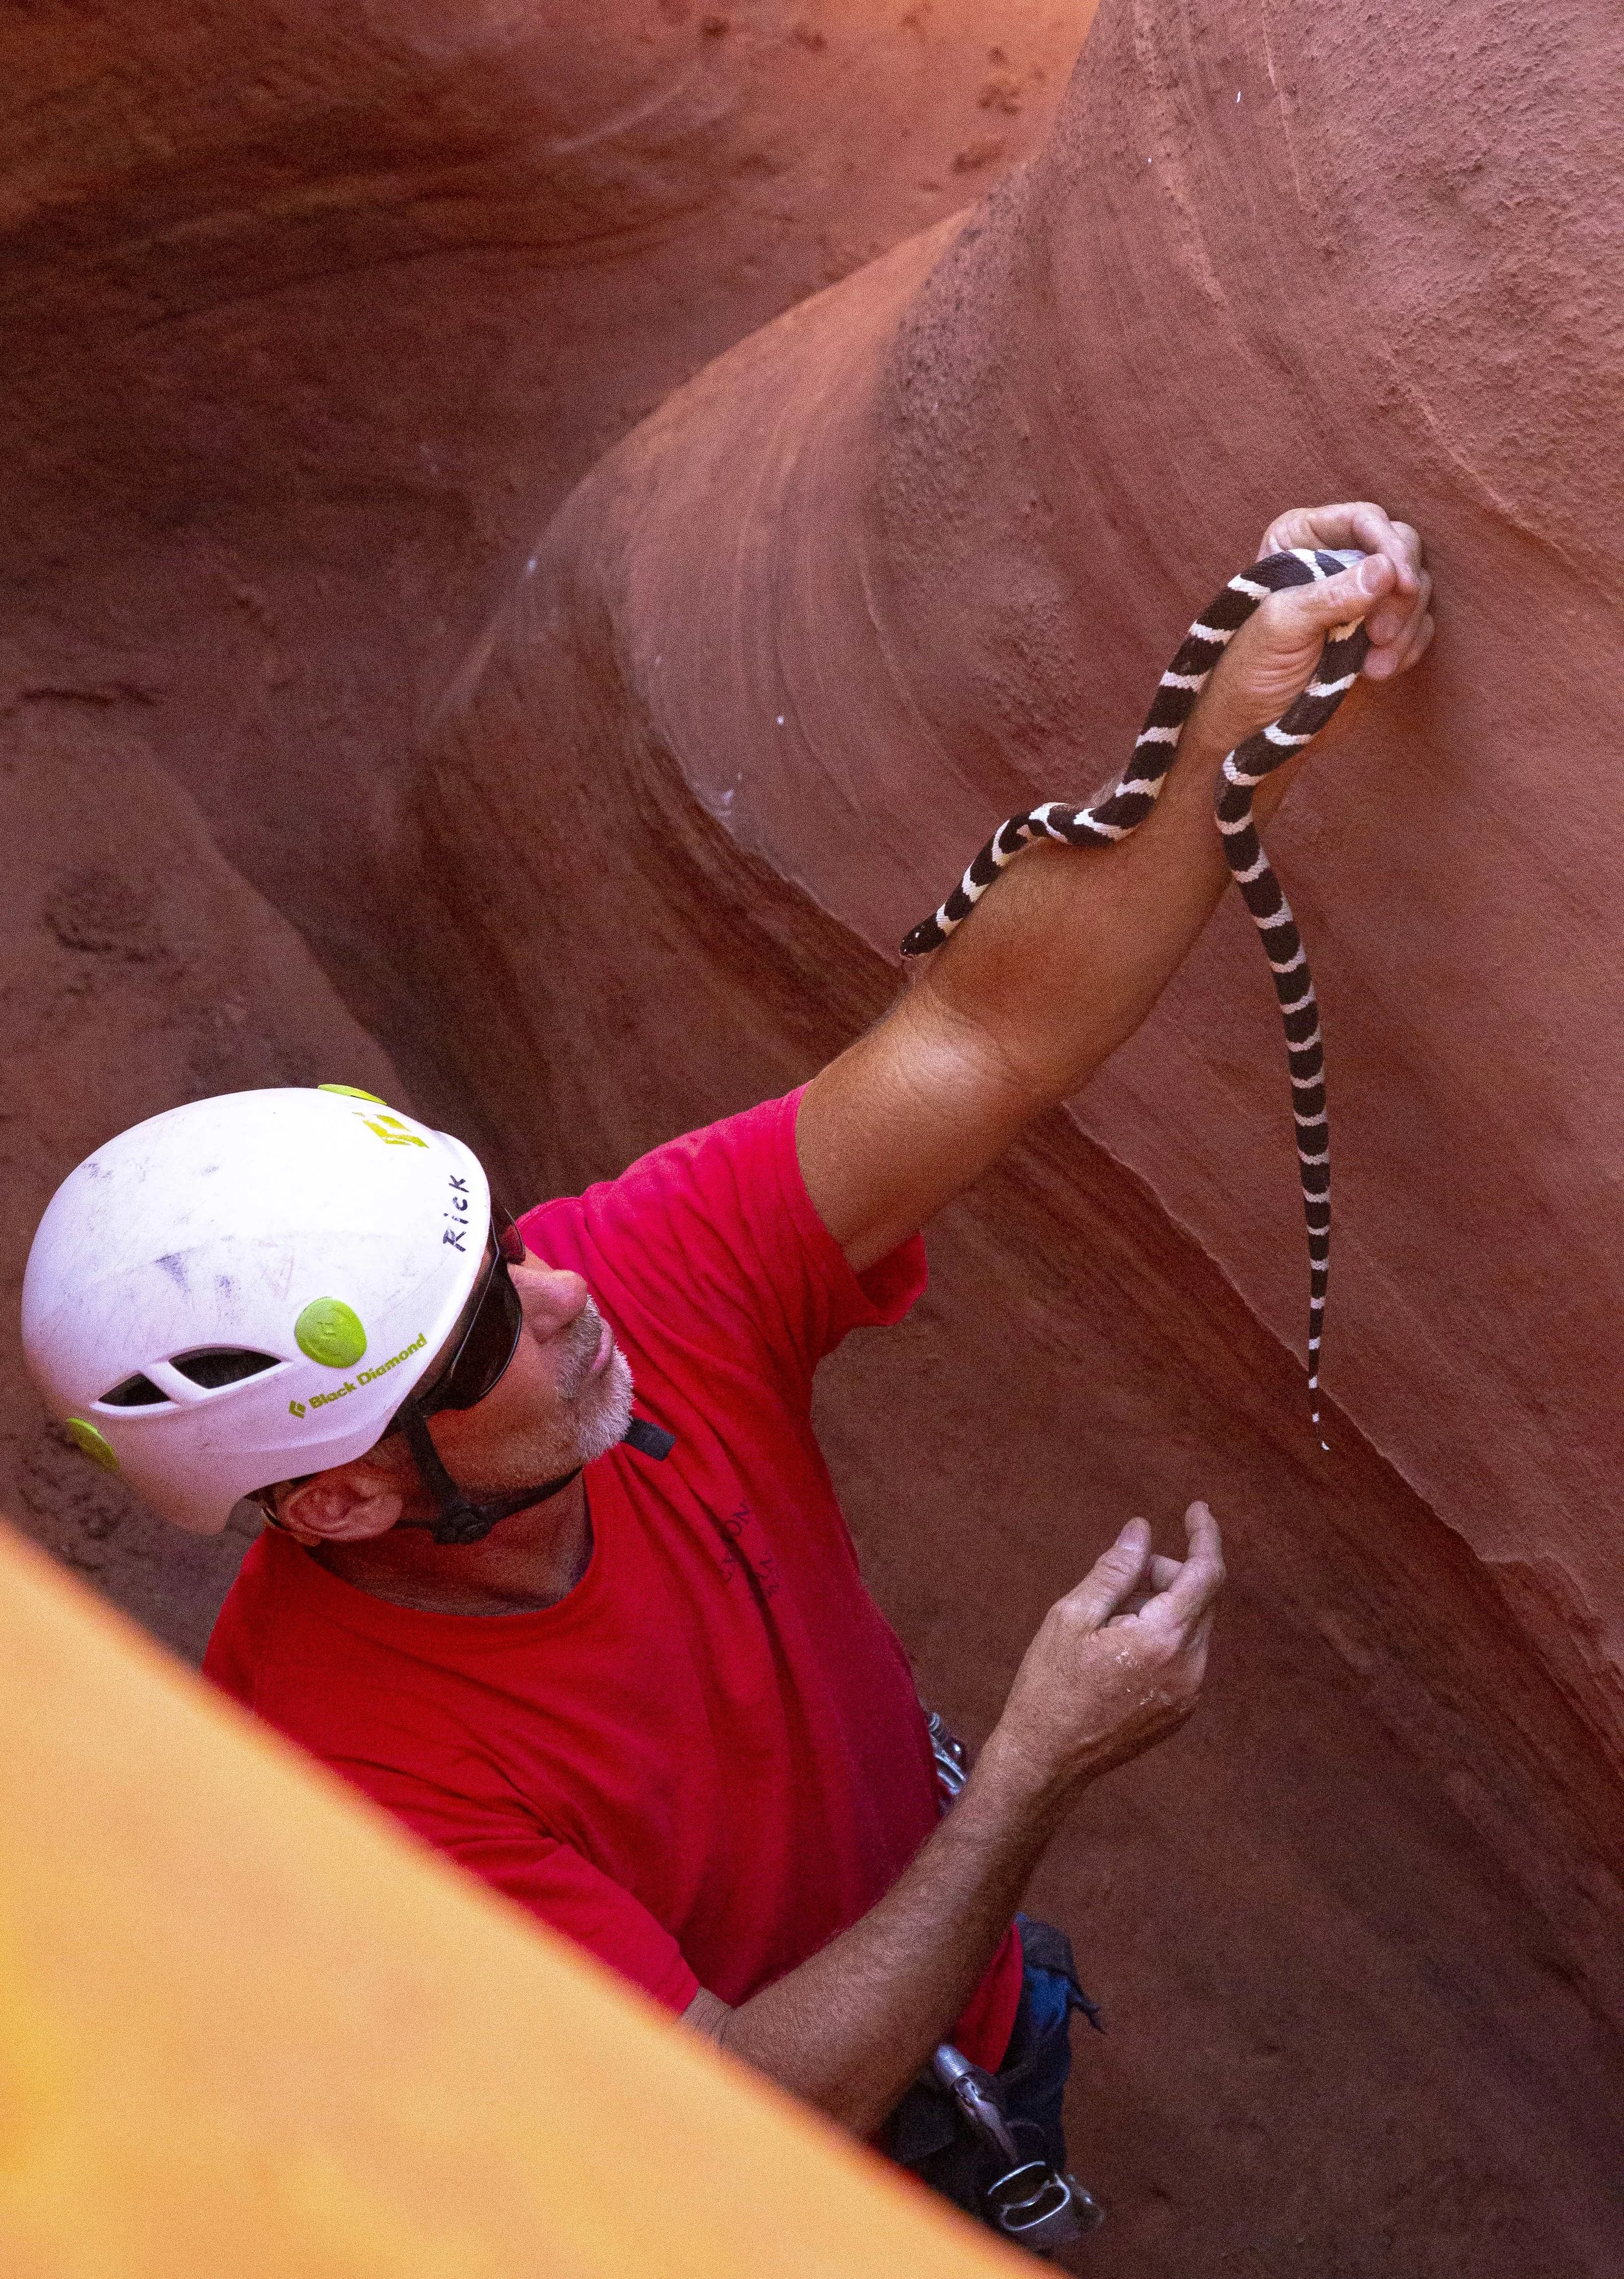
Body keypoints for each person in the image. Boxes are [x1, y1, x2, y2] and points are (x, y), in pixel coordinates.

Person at [21, 506, 1430, 2230]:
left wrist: (1222, 733)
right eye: (481, 1330)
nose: (562, 1289)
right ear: (343, 1498)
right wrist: (1031, 1770)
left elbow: (976, 1036)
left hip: (968, 2037)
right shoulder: (349, 1782)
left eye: (499, 1238)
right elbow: (737, 2110)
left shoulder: (621, 1276)